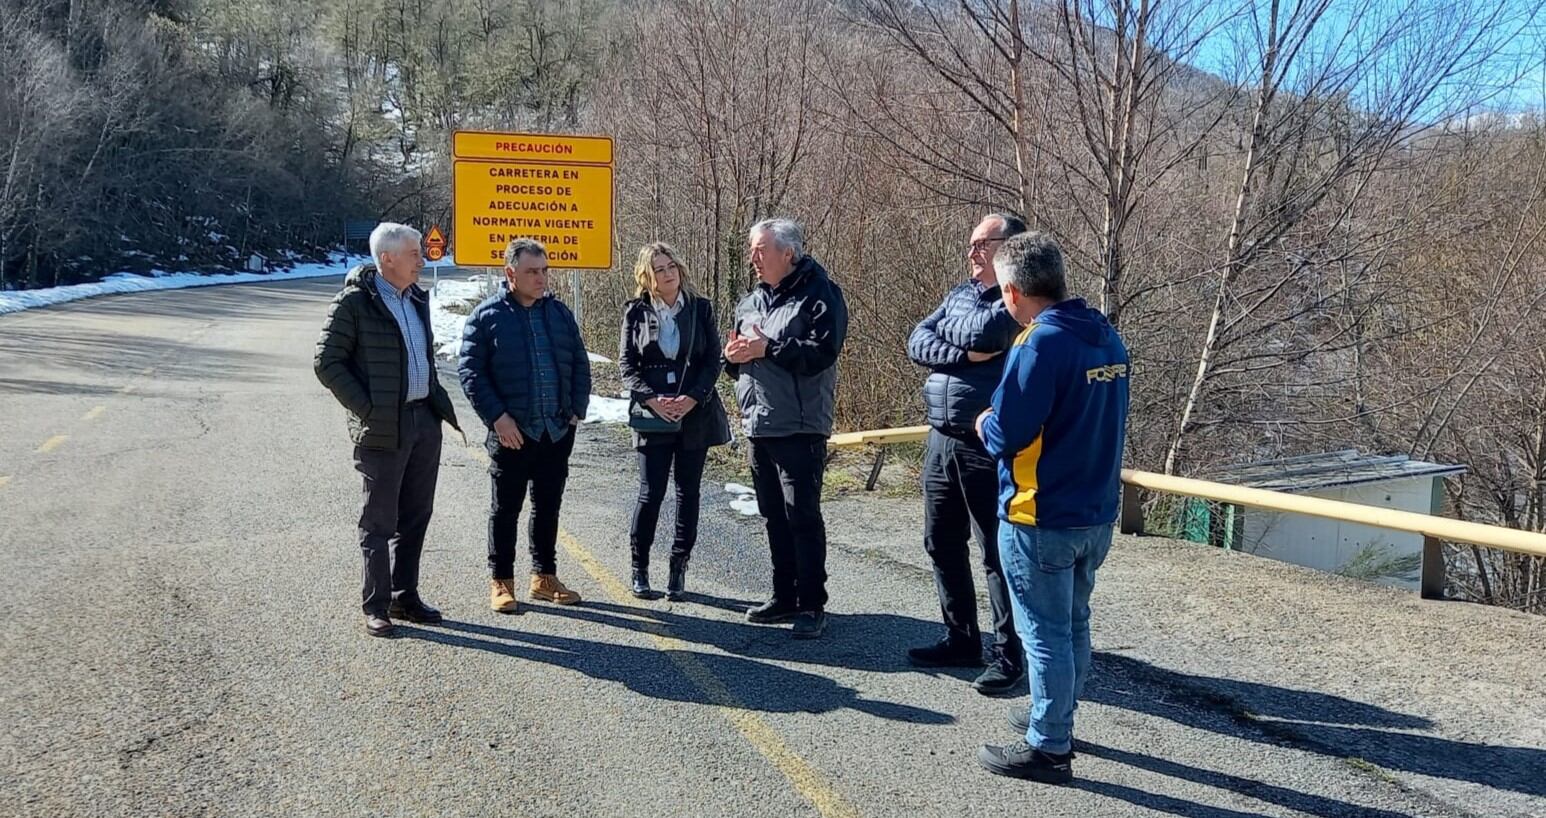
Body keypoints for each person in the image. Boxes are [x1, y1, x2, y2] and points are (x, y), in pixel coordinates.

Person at [973, 232, 1130, 784]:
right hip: (1095, 509)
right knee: (1074, 623)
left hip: (1040, 513)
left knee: (1043, 633)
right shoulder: (1106, 335)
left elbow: (1006, 432)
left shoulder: (1038, 344)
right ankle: (1058, 716)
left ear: (1013, 291)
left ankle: (1049, 747)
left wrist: (982, 423)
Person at [314, 222, 463, 638]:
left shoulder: (417, 298)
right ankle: (376, 604)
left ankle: (405, 595)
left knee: (416, 515)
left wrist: (433, 404)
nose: (423, 258)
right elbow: (326, 363)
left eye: (420, 252)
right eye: (415, 253)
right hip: (382, 426)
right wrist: (368, 409)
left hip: (422, 421)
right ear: (388, 259)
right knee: (378, 520)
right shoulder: (354, 303)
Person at [905, 212, 1029, 696]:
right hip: (941, 440)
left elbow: (985, 335)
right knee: (940, 542)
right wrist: (960, 352)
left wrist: (954, 339)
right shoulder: (960, 294)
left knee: (996, 553)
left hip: (985, 445)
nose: (972, 252)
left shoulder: (1015, 301)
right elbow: (917, 338)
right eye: (972, 244)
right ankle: (961, 638)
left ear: (1010, 249)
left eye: (983, 244)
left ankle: (1010, 654)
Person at [724, 218, 848, 639]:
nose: (753, 258)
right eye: (752, 250)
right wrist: (733, 355)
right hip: (757, 421)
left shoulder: (820, 296)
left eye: (761, 250)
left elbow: (822, 353)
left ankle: (813, 604)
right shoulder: (750, 302)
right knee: (773, 515)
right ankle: (784, 596)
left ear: (788, 253)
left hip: (799, 424)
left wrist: (767, 348)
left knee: (802, 517)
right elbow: (737, 362)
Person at [459, 237, 591, 613]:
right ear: (510, 273)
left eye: (545, 270)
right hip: (512, 432)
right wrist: (498, 418)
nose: (541, 278)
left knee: (548, 507)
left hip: (556, 430)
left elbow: (580, 363)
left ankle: (544, 577)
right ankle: (502, 582)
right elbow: (472, 373)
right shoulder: (486, 317)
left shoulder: (560, 313)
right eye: (533, 271)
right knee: (505, 509)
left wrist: (576, 409)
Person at [618, 242, 731, 600]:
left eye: (671, 266)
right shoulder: (635, 312)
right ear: (646, 276)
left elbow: (714, 360)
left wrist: (690, 399)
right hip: (652, 416)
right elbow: (626, 367)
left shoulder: (700, 309)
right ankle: (640, 569)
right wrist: (653, 400)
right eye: (659, 269)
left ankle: (678, 567)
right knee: (650, 494)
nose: (668, 274)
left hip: (693, 414)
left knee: (688, 493)